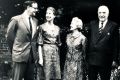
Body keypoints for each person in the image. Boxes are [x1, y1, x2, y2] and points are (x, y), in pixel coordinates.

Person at [6, 1, 40, 80]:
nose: (36, 10)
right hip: (19, 55)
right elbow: (9, 37)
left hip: (31, 57)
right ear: (28, 7)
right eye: (34, 8)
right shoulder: (16, 19)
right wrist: (15, 50)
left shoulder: (35, 21)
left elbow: (33, 40)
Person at [85, 5, 119, 80]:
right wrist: (87, 57)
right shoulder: (92, 24)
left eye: (104, 12)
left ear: (108, 13)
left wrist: (114, 59)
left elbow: (115, 45)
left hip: (106, 60)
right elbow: (88, 41)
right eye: (99, 12)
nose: (101, 15)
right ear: (97, 13)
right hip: (92, 60)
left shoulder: (113, 25)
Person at [38, 7, 61, 80]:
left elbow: (59, 43)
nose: (47, 15)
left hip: (55, 55)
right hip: (45, 54)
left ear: (54, 15)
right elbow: (39, 44)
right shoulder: (42, 27)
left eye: (49, 13)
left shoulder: (57, 28)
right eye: (46, 13)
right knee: (46, 75)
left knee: (55, 75)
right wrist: (41, 58)